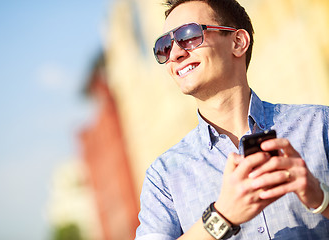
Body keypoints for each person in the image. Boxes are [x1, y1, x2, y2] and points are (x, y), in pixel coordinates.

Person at [135, 0, 329, 239]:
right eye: (164, 46)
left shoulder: (321, 125)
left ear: (238, 42)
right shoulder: (163, 176)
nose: (175, 54)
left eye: (189, 35)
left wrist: (321, 198)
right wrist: (221, 216)